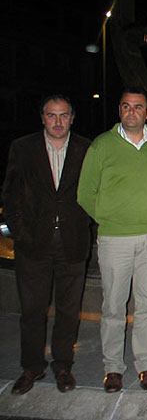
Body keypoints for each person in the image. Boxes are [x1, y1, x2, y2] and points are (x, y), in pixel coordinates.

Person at [77, 87, 147, 392]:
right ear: (119, 111)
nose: (131, 111)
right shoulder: (102, 146)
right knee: (113, 306)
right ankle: (113, 368)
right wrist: (109, 217)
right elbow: (85, 194)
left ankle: (146, 365)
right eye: (125, 106)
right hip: (114, 239)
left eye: (137, 107)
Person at [2, 95, 91, 395]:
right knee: (32, 311)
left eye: (63, 115)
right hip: (34, 245)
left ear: (72, 118)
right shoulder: (23, 148)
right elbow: (10, 196)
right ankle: (32, 367)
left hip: (73, 244)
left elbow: (94, 193)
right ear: (42, 118)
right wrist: (22, 235)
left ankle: (63, 365)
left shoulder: (85, 148)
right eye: (51, 116)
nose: (57, 122)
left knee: (69, 310)